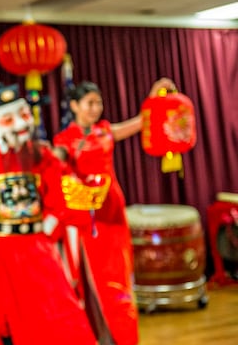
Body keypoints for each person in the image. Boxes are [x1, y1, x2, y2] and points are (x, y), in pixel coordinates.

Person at [0, 84, 96, 345]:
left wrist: (48, 230)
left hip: (36, 242)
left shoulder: (41, 153)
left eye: (23, 116)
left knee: (58, 305)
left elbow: (60, 195)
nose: (19, 125)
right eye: (9, 119)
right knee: (6, 313)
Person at [53, 78, 175, 345]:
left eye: (99, 102)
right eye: (90, 103)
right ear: (74, 106)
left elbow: (140, 122)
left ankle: (124, 334)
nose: (96, 108)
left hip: (114, 209)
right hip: (89, 216)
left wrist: (154, 98)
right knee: (96, 276)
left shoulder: (106, 131)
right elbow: (56, 158)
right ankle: (100, 334)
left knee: (120, 273)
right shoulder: (65, 139)